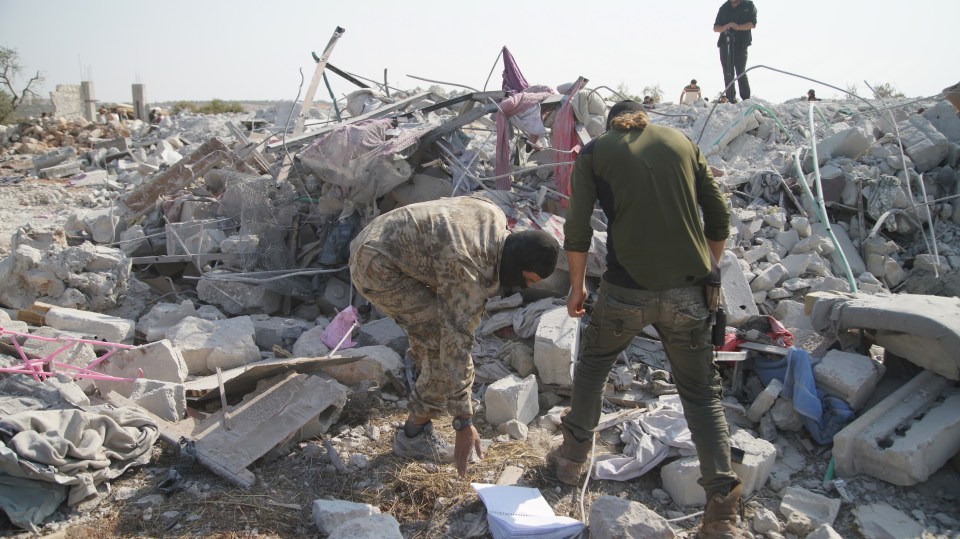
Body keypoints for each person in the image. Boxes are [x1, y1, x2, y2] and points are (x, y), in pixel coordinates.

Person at [550, 101, 747, 538]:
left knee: (595, 367)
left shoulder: (595, 152)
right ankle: (721, 512)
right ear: (645, 120)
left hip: (626, 290)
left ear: (611, 124)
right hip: (691, 294)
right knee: (700, 394)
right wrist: (706, 270)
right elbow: (718, 217)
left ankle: (571, 459)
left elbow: (577, 226)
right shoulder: (682, 142)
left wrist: (577, 287)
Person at [349, 196, 560, 478]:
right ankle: (414, 437)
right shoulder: (468, 272)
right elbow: (456, 344)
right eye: (528, 279)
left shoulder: (493, 215)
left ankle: (424, 384)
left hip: (376, 235)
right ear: (516, 263)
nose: (524, 287)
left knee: (433, 331)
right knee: (440, 347)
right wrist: (463, 420)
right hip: (377, 267)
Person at [714, 0, 757, 103]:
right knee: (727, 72)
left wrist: (737, 26)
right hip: (725, 43)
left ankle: (745, 99)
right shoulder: (724, 8)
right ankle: (730, 99)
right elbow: (716, 27)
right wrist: (725, 27)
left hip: (741, 43)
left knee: (740, 71)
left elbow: (752, 23)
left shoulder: (748, 5)